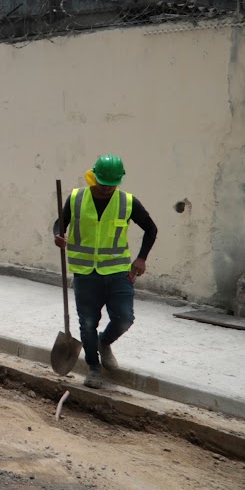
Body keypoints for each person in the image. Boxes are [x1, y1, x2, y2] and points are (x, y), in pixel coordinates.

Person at [53, 154, 157, 389]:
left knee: (124, 318)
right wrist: (58, 235)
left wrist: (141, 258)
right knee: (88, 323)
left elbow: (151, 229)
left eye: (111, 185)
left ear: (119, 181)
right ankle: (93, 368)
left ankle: (104, 342)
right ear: (94, 177)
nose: (106, 189)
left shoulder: (128, 202)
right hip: (85, 273)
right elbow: (60, 222)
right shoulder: (77, 198)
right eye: (102, 184)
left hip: (118, 272)